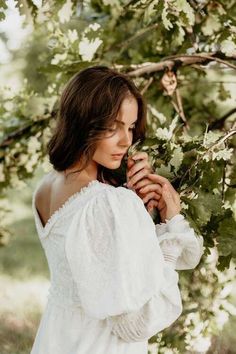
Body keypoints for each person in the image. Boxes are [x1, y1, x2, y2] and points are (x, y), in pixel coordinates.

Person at [31, 66, 204, 354]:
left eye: (130, 126)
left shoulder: (46, 187)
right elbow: (136, 324)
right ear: (84, 121)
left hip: (56, 339)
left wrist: (132, 208)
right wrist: (170, 224)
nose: (126, 140)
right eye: (113, 126)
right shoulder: (109, 204)